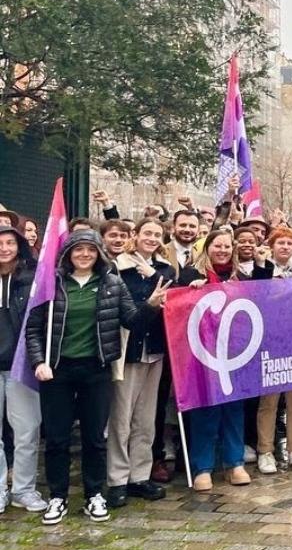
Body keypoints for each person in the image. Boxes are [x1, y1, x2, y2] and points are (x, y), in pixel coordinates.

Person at [26, 230, 167, 525]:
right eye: (79, 250)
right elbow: (34, 328)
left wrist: (150, 306)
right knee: (57, 438)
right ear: (68, 254)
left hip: (96, 369)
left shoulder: (111, 283)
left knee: (94, 437)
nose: (85, 255)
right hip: (57, 370)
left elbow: (130, 320)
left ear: (99, 253)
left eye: (91, 250)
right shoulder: (52, 285)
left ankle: (93, 494)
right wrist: (39, 360)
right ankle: (58, 496)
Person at [176, 229, 266, 492]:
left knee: (234, 409)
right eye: (218, 245)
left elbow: (261, 296)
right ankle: (203, 466)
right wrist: (190, 292)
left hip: (236, 353)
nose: (223, 250)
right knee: (206, 409)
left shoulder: (240, 277)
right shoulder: (192, 274)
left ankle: (234, 462)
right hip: (203, 355)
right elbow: (178, 308)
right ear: (208, 247)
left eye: (228, 246)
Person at [106, 218, 176, 508]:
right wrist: (146, 280)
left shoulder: (165, 270)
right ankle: (117, 479)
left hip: (155, 350)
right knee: (121, 419)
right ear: (136, 235)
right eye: (147, 232)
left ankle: (140, 474)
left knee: (146, 420)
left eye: (157, 234)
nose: (151, 238)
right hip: (128, 351)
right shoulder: (117, 267)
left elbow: (174, 306)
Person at [0, 225, 47, 513]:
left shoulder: (30, 280)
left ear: (19, 246)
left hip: (20, 366)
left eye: (9, 242)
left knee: (27, 430)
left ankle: (24, 489)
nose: (4, 248)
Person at [255, 227, 292, 474]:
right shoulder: (264, 270)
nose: (285, 247)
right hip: (270, 342)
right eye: (281, 243)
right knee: (269, 402)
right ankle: (265, 451)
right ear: (272, 246)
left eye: (290, 243)